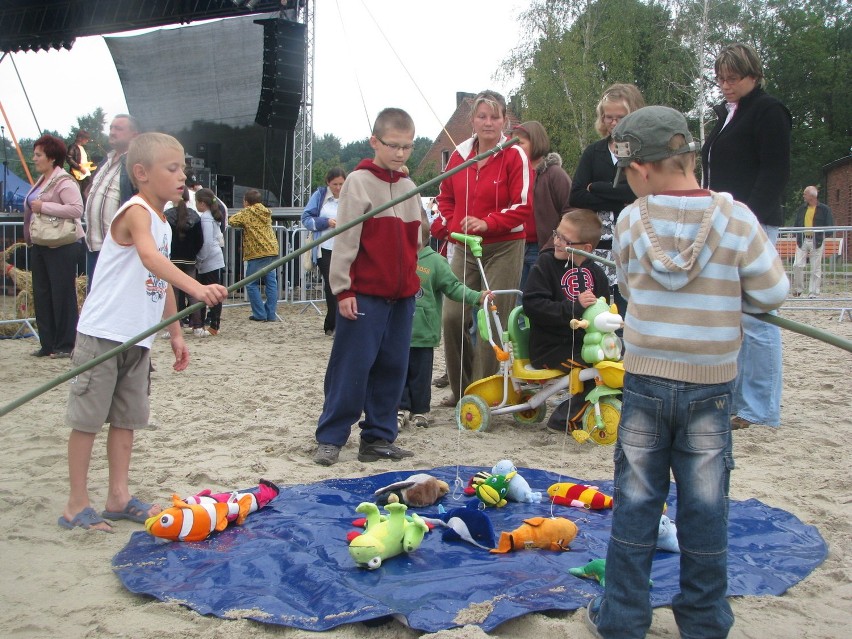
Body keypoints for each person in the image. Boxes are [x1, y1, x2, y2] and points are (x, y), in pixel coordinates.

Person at [584, 106, 788, 639]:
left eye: (626, 174)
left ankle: (624, 617)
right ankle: (703, 618)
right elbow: (771, 294)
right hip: (709, 387)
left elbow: (628, 289)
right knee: (705, 506)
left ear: (642, 168)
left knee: (635, 502)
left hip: (646, 383)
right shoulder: (737, 217)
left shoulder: (631, 220)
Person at [60, 132, 228, 531]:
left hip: (138, 338)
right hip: (104, 334)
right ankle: (75, 504)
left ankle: (118, 497)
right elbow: (151, 260)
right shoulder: (136, 211)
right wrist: (199, 288)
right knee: (86, 421)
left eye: (183, 168)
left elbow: (160, 279)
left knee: (126, 419)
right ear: (141, 173)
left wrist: (174, 333)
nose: (182, 176)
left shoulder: (164, 223)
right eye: (172, 168)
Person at [312, 107, 422, 466]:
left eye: (408, 147)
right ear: (375, 141)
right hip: (365, 297)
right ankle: (330, 437)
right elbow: (345, 241)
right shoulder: (358, 182)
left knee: (393, 368)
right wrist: (343, 290)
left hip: (401, 297)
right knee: (351, 367)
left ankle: (377, 437)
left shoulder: (408, 186)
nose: (401, 153)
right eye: (393, 145)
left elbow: (418, 238)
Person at [701, 42, 792, 430]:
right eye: (721, 78)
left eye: (733, 78)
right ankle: (738, 400)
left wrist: (749, 219)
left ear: (754, 75)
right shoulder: (726, 116)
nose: (725, 85)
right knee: (734, 318)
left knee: (758, 319)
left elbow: (774, 171)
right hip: (725, 222)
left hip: (752, 224)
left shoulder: (769, 112)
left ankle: (760, 408)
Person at [431, 90, 534, 406]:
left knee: (492, 319)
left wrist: (487, 222)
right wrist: (454, 224)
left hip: (504, 247)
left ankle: (483, 392)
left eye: (494, 116)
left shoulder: (515, 154)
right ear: (472, 120)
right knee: (451, 315)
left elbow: (523, 206)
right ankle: (461, 391)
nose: (488, 122)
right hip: (464, 248)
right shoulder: (459, 157)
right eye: (482, 116)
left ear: (504, 119)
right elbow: (444, 199)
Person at [521, 209, 609, 431]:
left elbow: (603, 311)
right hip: (551, 348)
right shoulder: (545, 265)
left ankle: (605, 407)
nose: (557, 241)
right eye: (556, 234)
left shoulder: (596, 273)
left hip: (585, 344)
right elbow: (533, 306)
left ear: (586, 248)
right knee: (596, 365)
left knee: (616, 359)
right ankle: (563, 419)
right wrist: (574, 307)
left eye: (565, 239)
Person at [399, 220, 487, 429]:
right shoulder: (396, 256)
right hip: (398, 331)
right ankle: (399, 409)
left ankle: (420, 411)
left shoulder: (436, 262)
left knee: (421, 374)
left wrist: (477, 296)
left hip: (424, 333)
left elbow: (453, 287)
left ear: (422, 238)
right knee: (398, 371)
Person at [570, 83, 645, 317]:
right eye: (608, 117)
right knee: (599, 307)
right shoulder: (594, 152)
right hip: (600, 245)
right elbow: (576, 194)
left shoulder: (641, 151)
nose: (613, 123)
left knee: (628, 304)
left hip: (633, 238)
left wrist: (598, 188)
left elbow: (638, 191)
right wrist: (618, 196)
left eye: (619, 117)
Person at [23, 134, 85, 358]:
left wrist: (44, 206)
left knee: (61, 293)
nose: (34, 158)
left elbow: (76, 209)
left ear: (51, 158)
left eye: (38, 155)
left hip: (62, 245)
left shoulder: (65, 181)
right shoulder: (42, 180)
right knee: (42, 293)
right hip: (41, 244)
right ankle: (47, 343)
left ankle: (66, 343)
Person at [514, 121, 572, 290]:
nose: (515, 148)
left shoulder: (554, 174)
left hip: (542, 248)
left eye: (520, 143)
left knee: (538, 299)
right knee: (516, 302)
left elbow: (571, 209)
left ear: (536, 142)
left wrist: (555, 242)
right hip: (515, 247)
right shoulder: (513, 174)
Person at [83, 114, 140, 288]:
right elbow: (88, 191)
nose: (112, 132)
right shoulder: (105, 162)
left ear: (134, 135)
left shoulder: (136, 165)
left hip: (119, 250)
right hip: (95, 248)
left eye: (119, 129)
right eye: (111, 128)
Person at [302, 167, 347, 335]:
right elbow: (306, 219)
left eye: (341, 184)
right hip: (324, 248)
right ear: (328, 182)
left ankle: (336, 323)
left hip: (345, 247)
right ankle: (333, 324)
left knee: (343, 284)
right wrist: (326, 222)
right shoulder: (319, 196)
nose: (338, 188)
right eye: (335, 184)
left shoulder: (350, 197)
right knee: (331, 285)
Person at [228, 189, 280, 322]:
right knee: (271, 282)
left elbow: (232, 221)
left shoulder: (247, 212)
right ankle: (271, 314)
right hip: (272, 249)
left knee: (251, 283)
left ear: (246, 202)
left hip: (257, 251)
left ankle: (259, 314)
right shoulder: (266, 212)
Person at [164, 188, 205, 335]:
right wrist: (192, 253)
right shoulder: (195, 216)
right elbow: (200, 240)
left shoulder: (167, 216)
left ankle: (173, 327)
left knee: (173, 294)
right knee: (193, 293)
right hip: (189, 260)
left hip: (172, 260)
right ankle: (198, 326)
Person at [194, 187, 226, 335]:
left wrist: (199, 259)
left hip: (209, 259)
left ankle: (213, 324)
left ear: (201, 203)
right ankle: (214, 324)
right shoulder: (213, 215)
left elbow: (206, 242)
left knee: (208, 292)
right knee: (215, 291)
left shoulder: (206, 218)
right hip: (215, 257)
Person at [792, 186, 834, 298]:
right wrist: (795, 234)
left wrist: (822, 236)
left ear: (811, 196)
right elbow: (797, 223)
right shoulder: (802, 209)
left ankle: (813, 292)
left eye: (805, 194)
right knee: (797, 265)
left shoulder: (825, 209)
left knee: (815, 267)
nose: (803, 196)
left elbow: (830, 226)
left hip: (817, 241)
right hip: (803, 239)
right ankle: (798, 289)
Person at [66, 129, 93, 194]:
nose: (87, 140)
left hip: (85, 173)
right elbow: (69, 158)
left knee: (88, 191)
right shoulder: (73, 147)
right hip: (77, 174)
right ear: (80, 138)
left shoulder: (83, 148)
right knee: (80, 193)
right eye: (86, 138)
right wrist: (80, 168)